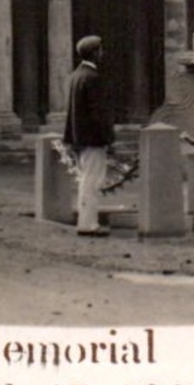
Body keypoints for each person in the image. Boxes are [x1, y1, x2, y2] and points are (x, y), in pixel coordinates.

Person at [63, 34, 113, 237]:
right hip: (93, 138)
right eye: (100, 50)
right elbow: (98, 113)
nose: (103, 53)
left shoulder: (76, 75)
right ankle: (88, 224)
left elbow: (72, 112)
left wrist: (70, 138)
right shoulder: (93, 78)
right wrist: (108, 137)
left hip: (80, 137)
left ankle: (87, 221)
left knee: (86, 179)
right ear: (94, 53)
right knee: (92, 181)